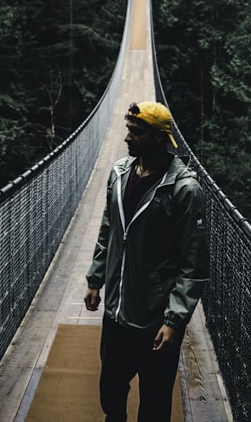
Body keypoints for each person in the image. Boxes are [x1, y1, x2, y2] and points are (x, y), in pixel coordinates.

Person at [84, 101, 209, 422]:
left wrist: (174, 320)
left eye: (136, 132)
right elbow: (108, 227)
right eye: (128, 129)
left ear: (158, 138)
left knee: (154, 403)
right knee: (110, 388)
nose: (126, 137)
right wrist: (95, 279)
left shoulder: (184, 189)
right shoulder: (120, 173)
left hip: (155, 318)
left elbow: (193, 264)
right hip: (116, 309)